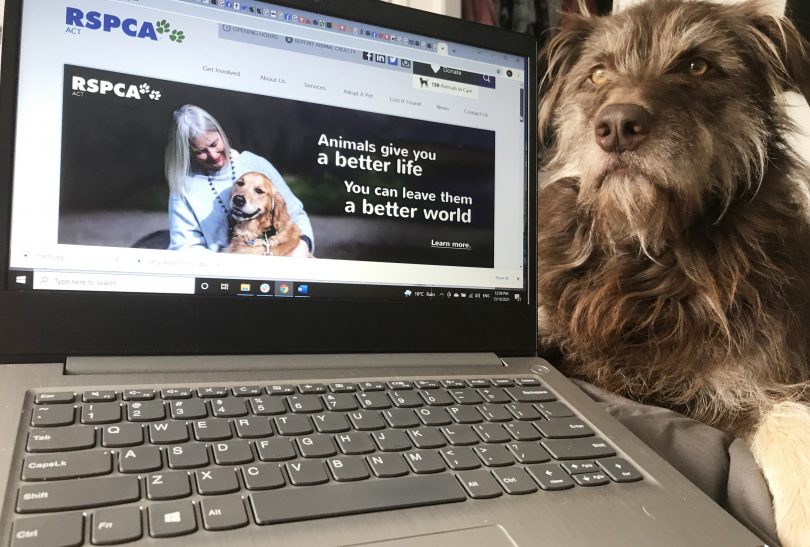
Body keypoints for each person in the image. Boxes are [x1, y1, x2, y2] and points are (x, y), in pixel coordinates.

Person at [165, 104, 314, 255]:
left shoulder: (255, 163)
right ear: (188, 153)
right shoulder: (184, 188)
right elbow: (184, 247)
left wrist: (301, 248)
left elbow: (296, 213)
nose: (213, 155)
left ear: (221, 133)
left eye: (214, 144)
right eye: (201, 152)